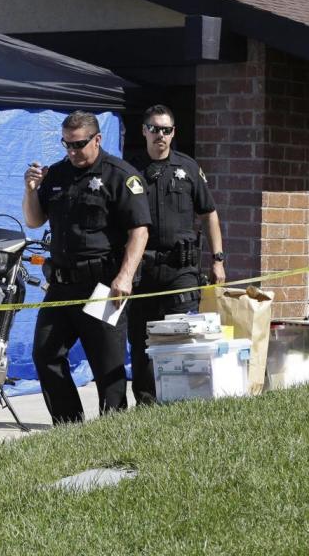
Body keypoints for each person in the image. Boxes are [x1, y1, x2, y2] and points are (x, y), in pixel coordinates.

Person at [23, 111, 150, 424]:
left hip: (102, 285)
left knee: (107, 365)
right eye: (66, 144)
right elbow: (34, 220)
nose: (72, 151)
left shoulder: (120, 175)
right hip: (62, 284)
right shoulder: (56, 174)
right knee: (45, 353)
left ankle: (114, 429)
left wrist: (125, 276)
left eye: (79, 144)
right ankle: (69, 426)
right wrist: (29, 190)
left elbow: (140, 230)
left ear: (97, 139)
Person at [127, 104, 225, 405]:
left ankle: (181, 401)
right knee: (142, 339)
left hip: (180, 270)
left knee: (181, 336)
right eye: (154, 129)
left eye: (166, 130)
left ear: (173, 133)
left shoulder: (189, 169)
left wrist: (218, 260)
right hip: (143, 270)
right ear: (144, 131)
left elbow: (209, 214)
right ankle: (147, 405)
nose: (160, 135)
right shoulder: (129, 169)